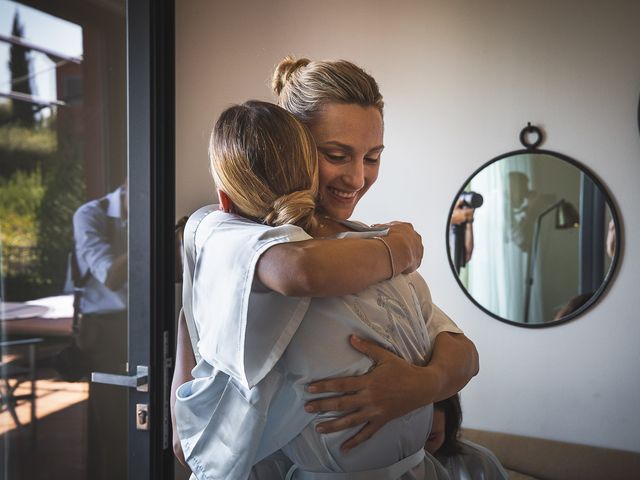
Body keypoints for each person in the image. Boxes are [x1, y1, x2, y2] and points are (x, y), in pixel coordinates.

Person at [172, 57, 479, 473]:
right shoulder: (238, 238)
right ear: (293, 145)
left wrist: (420, 386)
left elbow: (460, 350)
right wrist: (400, 250)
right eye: (337, 154)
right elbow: (294, 272)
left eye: (372, 158)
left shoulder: (364, 246)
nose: (357, 178)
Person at [72, 183, 128, 480]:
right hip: (103, 330)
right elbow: (110, 275)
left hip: (139, 321)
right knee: (111, 420)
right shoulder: (91, 215)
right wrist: (149, 233)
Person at [425, 395, 508, 480]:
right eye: (410, 442)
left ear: (448, 427)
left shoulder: (480, 462)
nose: (421, 451)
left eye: (430, 438)